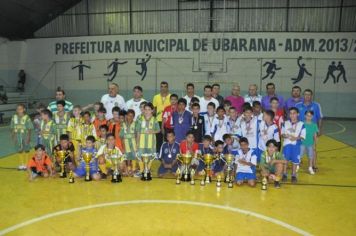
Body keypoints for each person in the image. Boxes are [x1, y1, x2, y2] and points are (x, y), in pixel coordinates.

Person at [282, 107, 306, 184]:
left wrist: (296, 138)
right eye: (291, 113)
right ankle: (284, 174)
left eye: (294, 113)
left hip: (296, 145)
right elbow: (282, 134)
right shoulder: (285, 123)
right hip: (287, 144)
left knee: (295, 161)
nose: (292, 115)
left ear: (298, 114)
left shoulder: (302, 124)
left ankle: (293, 175)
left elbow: (303, 136)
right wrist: (286, 136)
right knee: (285, 160)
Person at [136, 102, 160, 176]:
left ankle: (148, 170)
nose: (147, 111)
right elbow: (138, 132)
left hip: (151, 143)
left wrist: (153, 131)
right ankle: (141, 170)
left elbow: (158, 130)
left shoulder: (154, 120)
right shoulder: (140, 119)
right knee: (140, 156)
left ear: (152, 110)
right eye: (145, 109)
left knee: (150, 157)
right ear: (143, 110)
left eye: (149, 109)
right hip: (141, 143)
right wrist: (137, 143)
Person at [10, 104, 34, 170]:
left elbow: (29, 128)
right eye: (17, 109)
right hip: (17, 135)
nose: (19, 110)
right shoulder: (14, 117)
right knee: (19, 149)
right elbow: (12, 127)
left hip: (25, 135)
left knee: (26, 149)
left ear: (24, 109)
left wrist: (28, 137)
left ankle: (26, 163)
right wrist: (13, 135)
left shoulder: (27, 117)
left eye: (20, 109)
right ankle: (21, 164)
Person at [152, 81, 171, 151]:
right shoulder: (155, 97)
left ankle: (168, 153)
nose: (163, 88)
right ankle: (158, 154)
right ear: (160, 88)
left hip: (168, 122)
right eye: (162, 87)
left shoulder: (171, 97)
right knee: (158, 139)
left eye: (165, 87)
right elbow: (154, 110)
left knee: (168, 139)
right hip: (158, 121)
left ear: (167, 88)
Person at [120, 109, 138, 176]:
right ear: (126, 116)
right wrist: (123, 147)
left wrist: (137, 144)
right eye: (129, 116)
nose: (130, 117)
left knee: (134, 156)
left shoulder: (136, 124)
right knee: (127, 157)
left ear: (134, 117)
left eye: (132, 116)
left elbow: (137, 135)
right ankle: (128, 168)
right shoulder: (123, 124)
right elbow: (121, 136)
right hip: (126, 143)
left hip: (133, 143)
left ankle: (133, 168)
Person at [300, 111, 319, 175]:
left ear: (312, 117)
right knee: (300, 155)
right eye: (307, 115)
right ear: (305, 116)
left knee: (311, 156)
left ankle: (310, 167)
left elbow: (315, 135)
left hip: (310, 143)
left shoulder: (314, 125)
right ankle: (296, 166)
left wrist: (315, 144)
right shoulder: (301, 124)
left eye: (310, 116)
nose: (308, 117)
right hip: (302, 143)